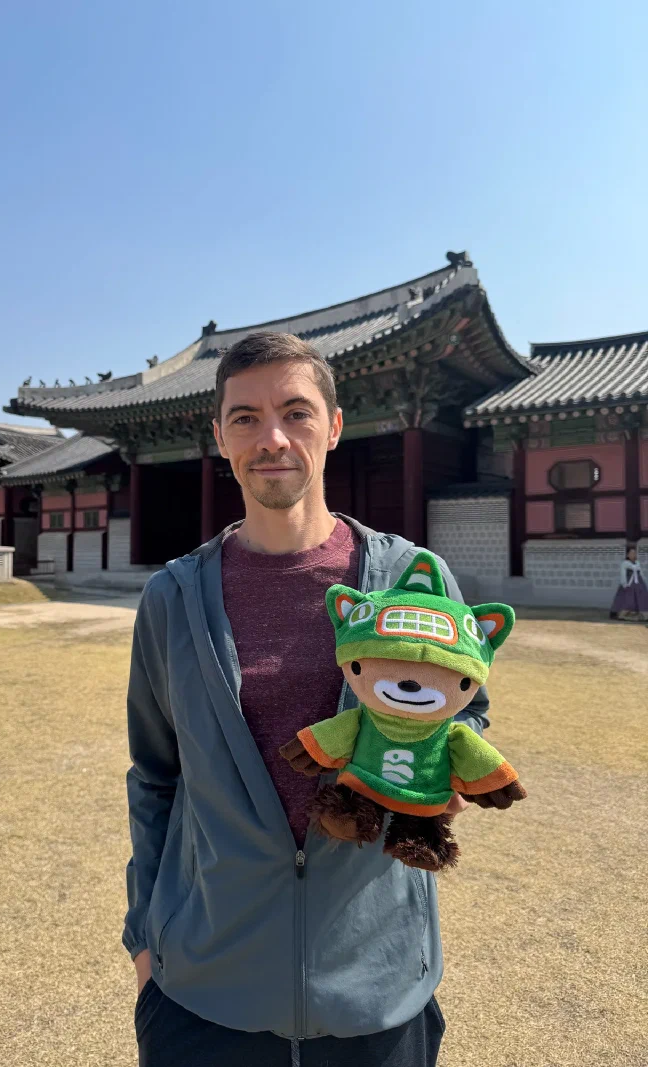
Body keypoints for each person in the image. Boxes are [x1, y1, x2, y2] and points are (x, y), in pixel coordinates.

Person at [123, 332, 492, 1066]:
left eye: (296, 411)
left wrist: (444, 775)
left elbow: (468, 712)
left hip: (376, 986)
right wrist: (146, 937)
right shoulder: (173, 598)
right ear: (221, 437)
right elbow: (155, 775)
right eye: (246, 418)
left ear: (334, 425)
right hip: (205, 991)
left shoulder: (412, 580)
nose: (273, 438)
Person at [609, 545, 648, 621]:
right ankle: (622, 614)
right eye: (631, 553)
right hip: (628, 583)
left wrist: (643, 582)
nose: (633, 555)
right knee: (627, 600)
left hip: (638, 583)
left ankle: (642, 615)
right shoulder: (625, 563)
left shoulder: (637, 562)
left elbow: (641, 573)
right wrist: (624, 584)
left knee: (642, 598)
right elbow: (623, 574)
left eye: (634, 553)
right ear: (627, 555)